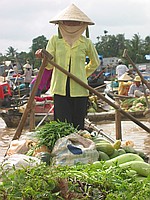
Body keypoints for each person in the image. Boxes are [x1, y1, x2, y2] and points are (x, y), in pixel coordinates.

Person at [35, 4, 100, 130]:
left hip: (80, 88)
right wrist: (43, 58)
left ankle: (78, 146)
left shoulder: (86, 42)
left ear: (81, 24)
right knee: (62, 124)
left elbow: (95, 62)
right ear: (61, 24)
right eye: (67, 22)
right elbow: (48, 66)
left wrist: (82, 74)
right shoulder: (55, 40)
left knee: (78, 124)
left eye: (74, 23)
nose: (70, 25)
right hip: (60, 88)